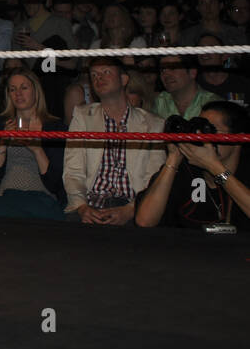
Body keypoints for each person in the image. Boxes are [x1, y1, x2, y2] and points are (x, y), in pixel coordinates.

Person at [64, 58, 166, 225]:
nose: (99, 78)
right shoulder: (82, 116)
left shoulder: (153, 123)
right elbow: (73, 171)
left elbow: (154, 179)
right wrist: (82, 207)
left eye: (106, 72)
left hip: (133, 206)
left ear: (124, 80)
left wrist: (131, 210)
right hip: (92, 204)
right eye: (94, 75)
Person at [135, 101, 250, 229]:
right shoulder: (186, 169)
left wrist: (214, 166)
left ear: (238, 138)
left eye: (209, 130)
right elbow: (145, 221)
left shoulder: (245, 169)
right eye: (198, 128)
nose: (202, 137)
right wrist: (173, 159)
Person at [0, 69, 66, 220]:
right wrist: (3, 142)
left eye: (24, 87)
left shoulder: (55, 126)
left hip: (41, 198)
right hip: (4, 195)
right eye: (12, 89)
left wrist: (37, 149)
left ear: (36, 91)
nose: (18, 93)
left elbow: (55, 182)